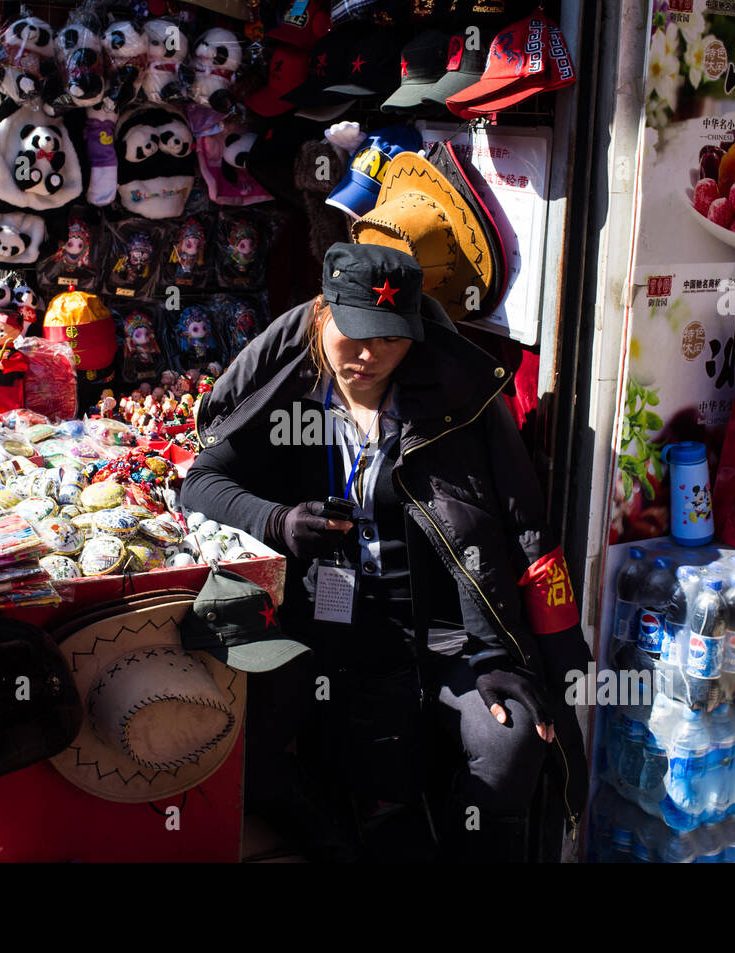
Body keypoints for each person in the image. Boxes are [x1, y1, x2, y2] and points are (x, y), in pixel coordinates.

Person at [180, 244, 591, 862]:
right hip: (322, 619)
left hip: (444, 628)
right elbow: (200, 483)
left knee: (510, 741)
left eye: (391, 340)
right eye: (355, 335)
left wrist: (503, 655)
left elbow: (514, 528)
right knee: (253, 723)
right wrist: (280, 522)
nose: (370, 357)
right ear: (322, 315)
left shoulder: (455, 402)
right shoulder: (288, 393)